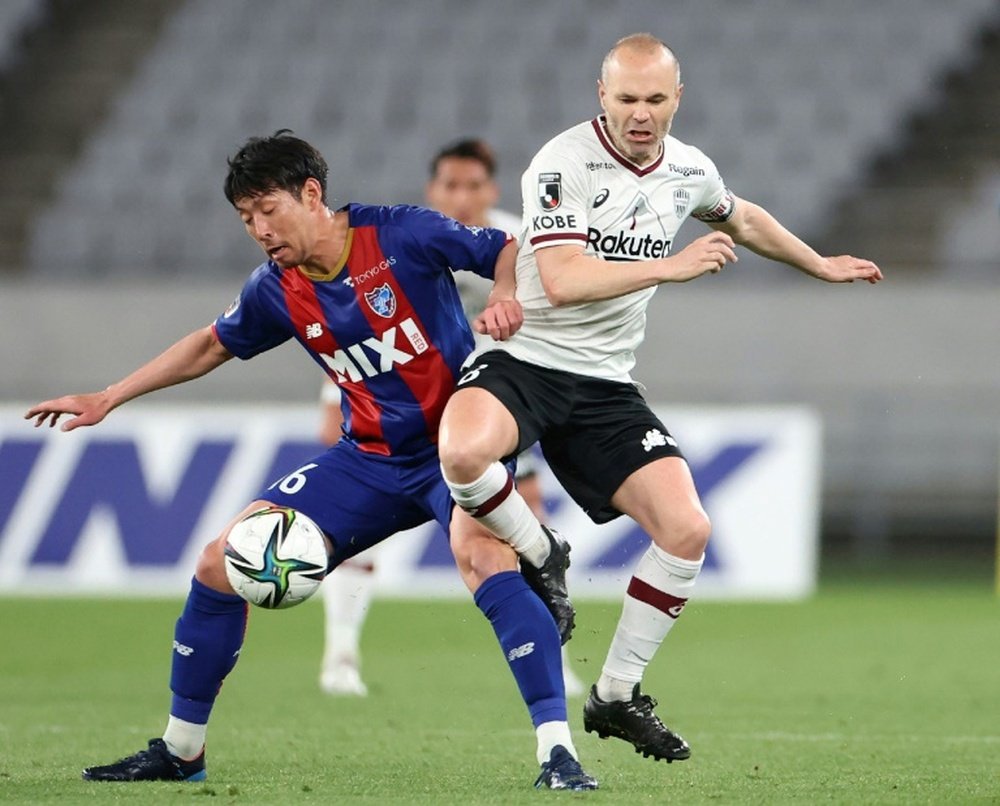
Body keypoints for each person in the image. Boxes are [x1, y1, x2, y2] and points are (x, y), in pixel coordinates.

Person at [25, 131, 597, 790]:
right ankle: (181, 750)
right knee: (218, 564)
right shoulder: (277, 288)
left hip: (455, 447)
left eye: (268, 209)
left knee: (485, 557)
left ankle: (557, 752)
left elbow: (507, 248)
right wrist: (110, 395)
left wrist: (504, 296)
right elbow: (212, 345)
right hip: (369, 460)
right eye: (246, 218)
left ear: (313, 194)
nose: (259, 229)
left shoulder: (401, 235)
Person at [438, 33, 883, 764]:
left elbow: (739, 215)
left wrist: (818, 263)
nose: (639, 115)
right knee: (462, 451)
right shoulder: (560, 164)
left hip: (606, 382)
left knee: (687, 529)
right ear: (601, 96)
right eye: (625, 99)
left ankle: (615, 695)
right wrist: (672, 269)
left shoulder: (688, 167)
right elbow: (567, 279)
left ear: (677, 98)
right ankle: (543, 551)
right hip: (529, 361)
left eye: (653, 100)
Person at [317, 137, 585, 699]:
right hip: (400, 410)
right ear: (432, 189)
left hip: (494, 407)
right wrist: (329, 400)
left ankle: (550, 657)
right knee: (356, 534)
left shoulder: (518, 243)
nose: (461, 197)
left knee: (528, 528)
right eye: (450, 185)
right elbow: (355, 328)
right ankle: (340, 655)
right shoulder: (401, 242)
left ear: (491, 190)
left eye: (472, 186)